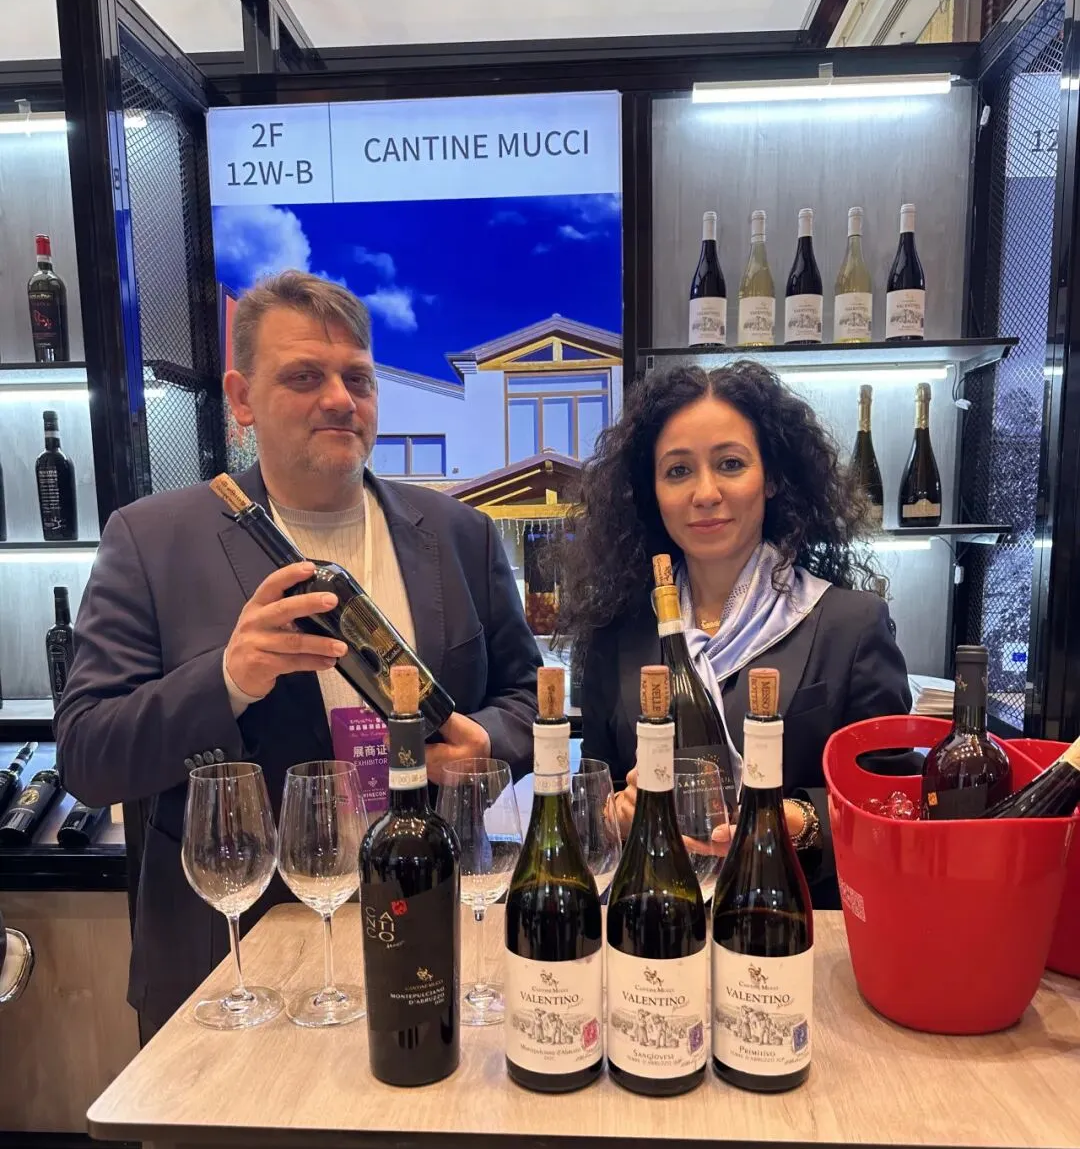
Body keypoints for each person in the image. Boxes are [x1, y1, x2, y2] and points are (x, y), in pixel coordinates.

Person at [57, 271, 540, 1034]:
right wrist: (227, 679)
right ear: (242, 399)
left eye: (358, 378)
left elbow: (528, 698)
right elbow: (88, 757)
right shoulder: (151, 541)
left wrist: (487, 743)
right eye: (305, 377)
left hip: (433, 931)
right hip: (238, 968)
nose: (341, 400)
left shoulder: (460, 535)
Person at [558, 360, 912, 901]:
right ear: (651, 491)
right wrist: (616, 815)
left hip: (791, 923)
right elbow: (589, 803)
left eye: (730, 463)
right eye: (678, 470)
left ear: (771, 478)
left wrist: (790, 821)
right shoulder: (617, 636)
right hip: (654, 924)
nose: (705, 492)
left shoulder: (850, 625)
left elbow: (893, 804)